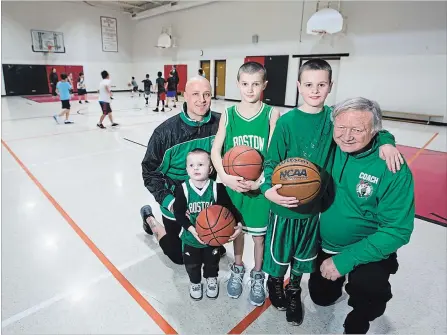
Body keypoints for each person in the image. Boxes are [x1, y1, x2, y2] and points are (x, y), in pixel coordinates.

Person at [260, 59, 403, 326]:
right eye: (309, 84)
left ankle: (294, 291)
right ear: (298, 86)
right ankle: (275, 282)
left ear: (330, 87)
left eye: (321, 84)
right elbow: (271, 162)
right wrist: (268, 189)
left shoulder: (334, 118)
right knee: (278, 254)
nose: (315, 90)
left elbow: (369, 125)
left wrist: (386, 141)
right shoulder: (287, 121)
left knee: (303, 258)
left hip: (314, 208)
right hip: (284, 205)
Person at [308, 97, 415, 334]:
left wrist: (345, 261)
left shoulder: (392, 167)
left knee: (370, 289)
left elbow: (397, 230)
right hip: (326, 243)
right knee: (321, 298)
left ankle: (360, 319)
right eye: (341, 128)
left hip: (368, 248)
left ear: (374, 131)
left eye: (357, 129)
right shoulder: (330, 147)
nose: (347, 136)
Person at [211, 61, 280, 306]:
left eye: (255, 84)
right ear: (238, 84)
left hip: (258, 188)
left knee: (259, 238)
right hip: (234, 186)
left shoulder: (272, 113)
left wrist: (260, 182)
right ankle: (238, 268)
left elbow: (273, 154)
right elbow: (216, 150)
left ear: (264, 85)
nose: (249, 90)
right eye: (245, 84)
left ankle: (258, 275)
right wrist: (225, 176)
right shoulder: (229, 114)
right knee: (237, 232)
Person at [140, 76, 226, 265]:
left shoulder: (222, 124)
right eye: (195, 94)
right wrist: (171, 202)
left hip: (205, 200)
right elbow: (150, 172)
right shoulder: (165, 133)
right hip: (175, 201)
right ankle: (150, 220)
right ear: (184, 96)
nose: (202, 99)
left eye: (207, 94)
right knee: (179, 257)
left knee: (214, 247)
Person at [173, 149, 242, 300]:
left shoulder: (216, 188)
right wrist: (191, 229)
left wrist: (239, 223)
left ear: (210, 169)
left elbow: (229, 208)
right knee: (192, 265)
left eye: (201, 164)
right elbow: (178, 213)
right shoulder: (183, 189)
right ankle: (195, 282)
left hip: (213, 240)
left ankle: (211, 279)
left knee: (212, 263)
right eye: (191, 165)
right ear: (186, 169)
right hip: (191, 238)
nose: (195, 168)